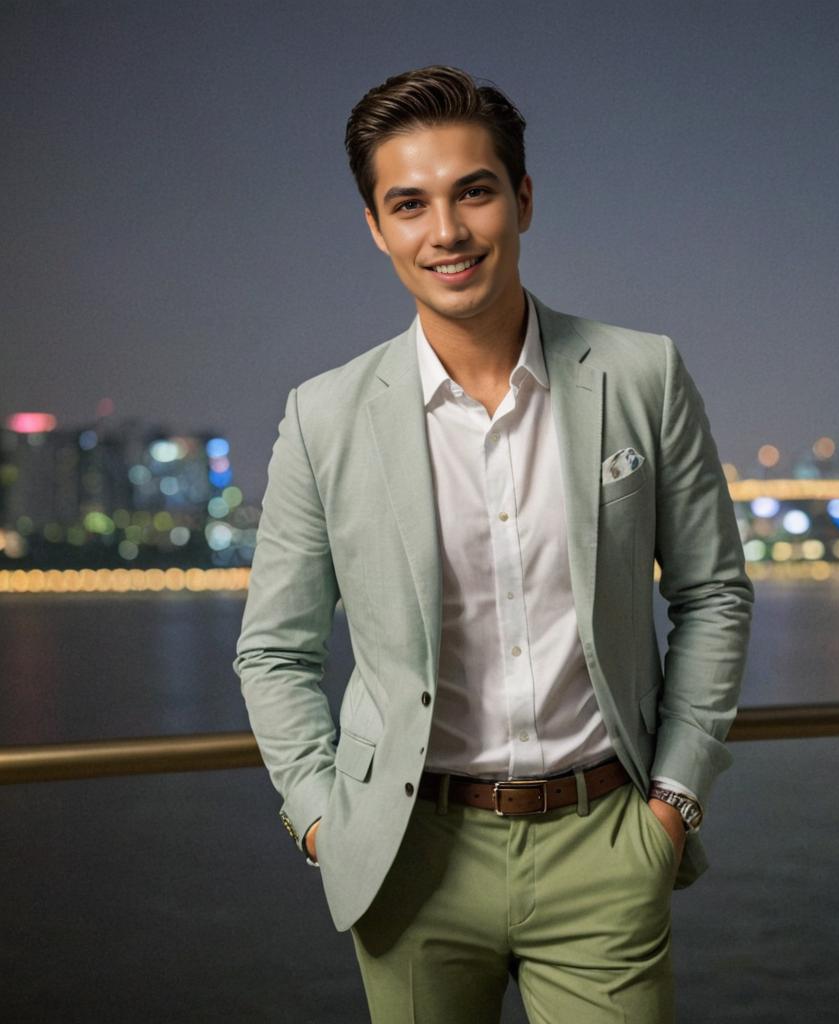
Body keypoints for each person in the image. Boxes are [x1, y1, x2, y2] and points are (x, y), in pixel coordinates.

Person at [233, 64, 753, 1022]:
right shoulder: (324, 416)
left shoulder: (642, 373)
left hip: (606, 842)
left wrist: (673, 805)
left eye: (473, 191)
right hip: (406, 857)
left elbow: (714, 594)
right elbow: (274, 648)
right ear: (377, 228)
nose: (448, 232)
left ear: (521, 198)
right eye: (410, 204)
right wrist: (320, 822)